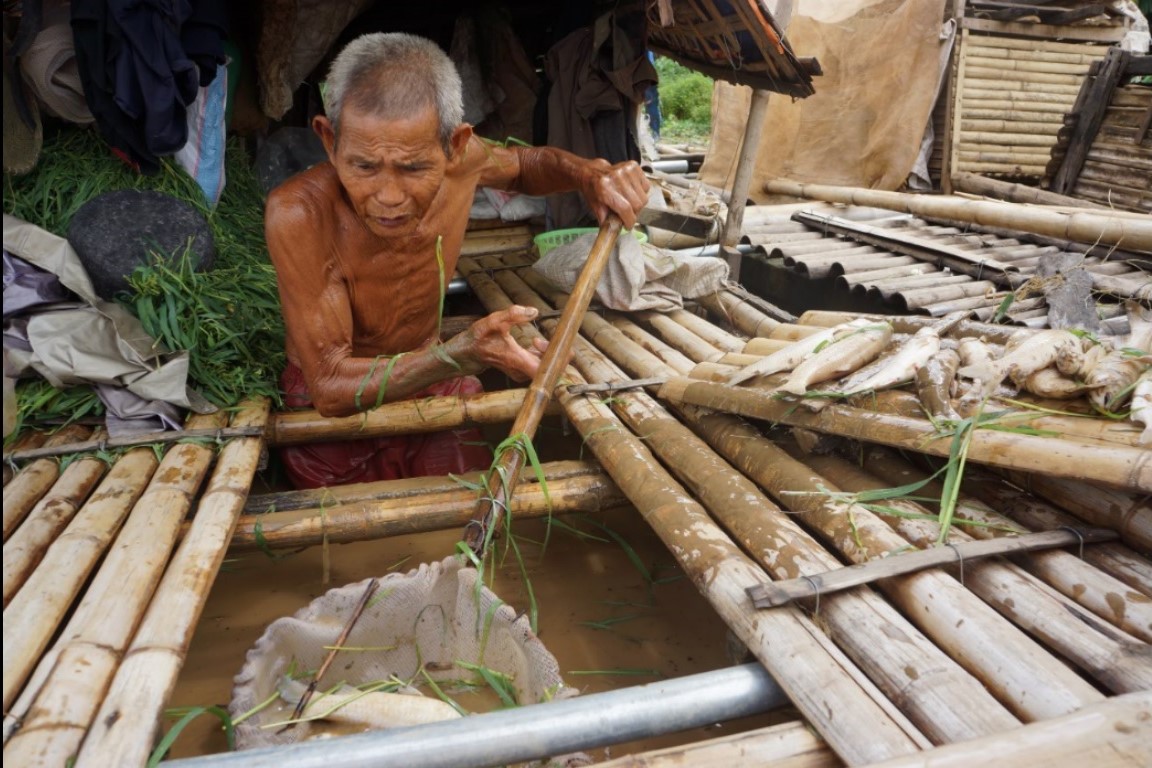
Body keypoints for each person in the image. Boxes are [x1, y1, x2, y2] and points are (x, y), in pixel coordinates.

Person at [265, 32, 650, 489]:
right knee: (343, 554)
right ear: (329, 141)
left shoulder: (465, 161)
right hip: (329, 414)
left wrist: (590, 173)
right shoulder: (300, 213)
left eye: (412, 168)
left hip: (435, 383)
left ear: (455, 145)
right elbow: (329, 384)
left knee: (464, 525)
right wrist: (458, 356)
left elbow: (525, 166)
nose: (388, 197)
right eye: (364, 167)